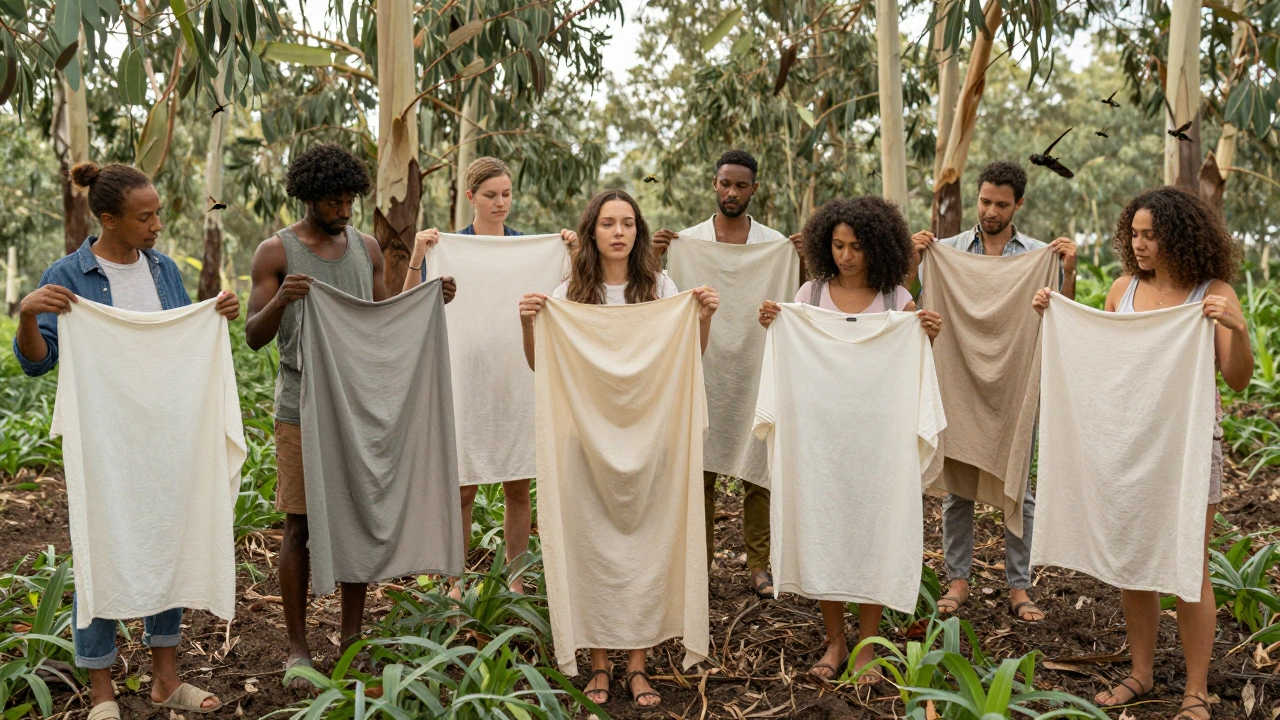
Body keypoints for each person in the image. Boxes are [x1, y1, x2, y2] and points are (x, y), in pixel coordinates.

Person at [13, 161, 239, 719]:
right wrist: (27, 315)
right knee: (101, 548)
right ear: (109, 219)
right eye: (145, 217)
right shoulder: (68, 274)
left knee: (166, 539)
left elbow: (177, 343)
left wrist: (213, 316)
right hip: (105, 440)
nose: (157, 224)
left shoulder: (163, 270)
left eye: (158, 213)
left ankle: (165, 681)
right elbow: (37, 363)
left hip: (165, 435)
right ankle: (102, 693)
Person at [1032, 186, 1252, 720]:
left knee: (1189, 566)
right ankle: (1141, 673)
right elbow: (1106, 363)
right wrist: (1058, 312)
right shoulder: (1122, 289)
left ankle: (1196, 691)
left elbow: (1238, 379)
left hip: (1190, 446)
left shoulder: (1213, 292)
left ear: (1180, 236)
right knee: (1133, 564)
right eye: (1134, 234)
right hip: (1128, 443)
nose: (1140, 244)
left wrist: (1238, 328)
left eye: (1152, 235)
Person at [244, 144, 455, 692]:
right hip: (301, 406)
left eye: (349, 201)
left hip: (360, 405)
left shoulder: (366, 248)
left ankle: (352, 640)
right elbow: (252, 335)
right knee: (299, 524)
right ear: (308, 197)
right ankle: (297, 649)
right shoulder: (277, 251)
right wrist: (282, 300)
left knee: (358, 518)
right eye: (333, 202)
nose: (344, 210)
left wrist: (429, 300)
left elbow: (380, 322)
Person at [518, 190, 720, 708]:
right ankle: (599, 664)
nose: (618, 232)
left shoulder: (660, 287)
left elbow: (689, 357)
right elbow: (541, 365)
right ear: (592, 231)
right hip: (584, 443)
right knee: (592, 546)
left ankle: (637, 666)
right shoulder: (569, 291)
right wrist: (528, 322)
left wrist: (701, 318)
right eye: (608, 223)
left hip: (649, 441)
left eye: (627, 223)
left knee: (645, 548)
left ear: (638, 231)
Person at [758, 196, 940, 682]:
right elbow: (791, 358)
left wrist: (926, 333)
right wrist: (776, 324)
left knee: (873, 532)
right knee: (827, 531)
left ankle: (868, 645)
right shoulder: (810, 296)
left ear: (877, 246)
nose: (846, 255)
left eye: (856, 246)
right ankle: (836, 641)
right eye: (838, 245)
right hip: (821, 439)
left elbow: (914, 365)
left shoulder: (897, 301)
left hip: (878, 440)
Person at [910, 160, 1077, 623]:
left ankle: (1019, 586)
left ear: (1018, 204)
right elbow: (910, 305)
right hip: (959, 378)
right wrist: (914, 262)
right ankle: (958, 580)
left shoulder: (1040, 255)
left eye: (1001, 204)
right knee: (957, 486)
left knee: (1019, 485)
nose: (990, 211)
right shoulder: (946, 251)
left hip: (1014, 383)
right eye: (985, 201)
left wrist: (1068, 270)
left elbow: (1063, 317)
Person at [402, 156, 574, 594]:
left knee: (518, 483)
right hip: (466, 377)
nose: (501, 202)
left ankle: (516, 582)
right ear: (471, 197)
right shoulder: (450, 247)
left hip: (518, 374)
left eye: (507, 194)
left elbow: (570, 296)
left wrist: (571, 252)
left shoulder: (528, 247)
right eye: (491, 195)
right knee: (464, 487)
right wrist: (419, 254)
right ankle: (455, 583)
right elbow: (407, 304)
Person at [651, 149, 802, 600]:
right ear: (714, 185)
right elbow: (658, 295)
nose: (731, 192)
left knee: (759, 466)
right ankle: (698, 564)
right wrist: (654, 255)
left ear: (754, 189)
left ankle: (759, 565)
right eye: (725, 183)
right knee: (699, 466)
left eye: (740, 185)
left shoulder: (774, 244)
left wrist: (801, 258)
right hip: (704, 366)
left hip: (757, 365)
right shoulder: (688, 242)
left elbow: (799, 299)